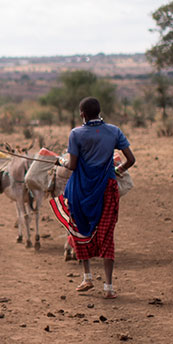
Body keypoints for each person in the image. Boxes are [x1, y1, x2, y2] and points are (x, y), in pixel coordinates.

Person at [58, 96, 135, 299]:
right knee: (107, 235)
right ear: (99, 112)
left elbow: (72, 165)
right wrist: (117, 171)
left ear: (82, 114)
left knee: (80, 230)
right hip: (106, 190)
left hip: (81, 189)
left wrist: (62, 162)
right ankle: (109, 287)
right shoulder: (114, 131)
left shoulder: (76, 134)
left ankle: (87, 277)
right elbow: (131, 159)